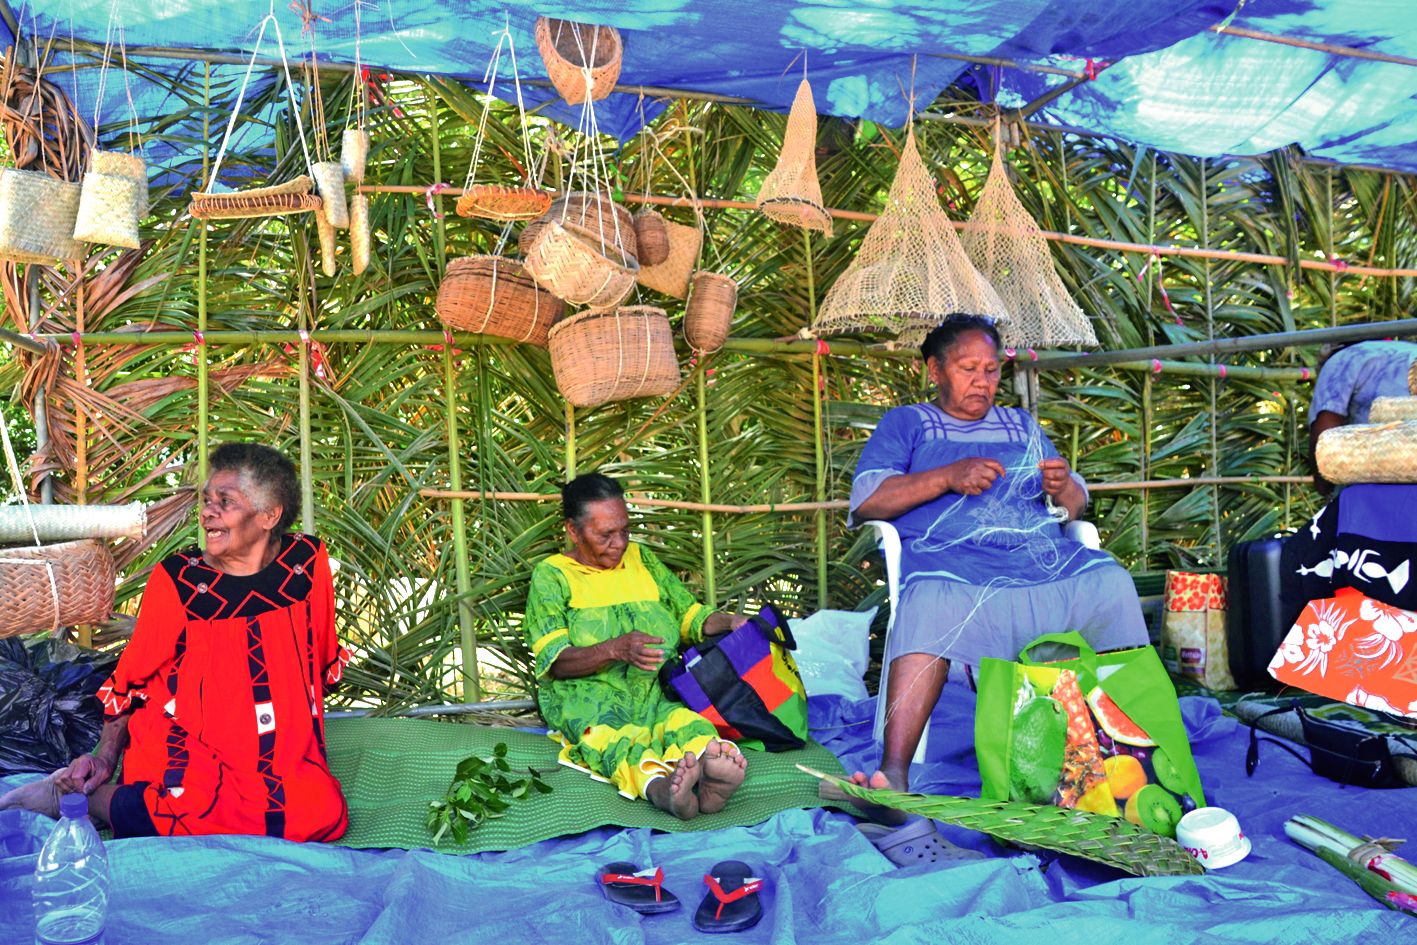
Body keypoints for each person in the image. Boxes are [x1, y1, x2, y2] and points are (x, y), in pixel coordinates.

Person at [845, 315, 1149, 808]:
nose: (982, 381)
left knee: (1110, 583)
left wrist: (1062, 487)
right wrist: (947, 476)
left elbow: (1073, 505)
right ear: (935, 370)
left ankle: (1134, 751)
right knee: (930, 600)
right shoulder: (906, 423)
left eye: (991, 369)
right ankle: (894, 772)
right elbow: (869, 501)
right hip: (952, 563)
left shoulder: (1020, 424)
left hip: (1038, 559)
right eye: (968, 368)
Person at [1, 443, 350, 841]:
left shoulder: (307, 562)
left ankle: (101, 804)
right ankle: (77, 800)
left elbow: (317, 655)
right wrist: (104, 758)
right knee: (189, 807)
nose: (207, 513)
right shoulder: (180, 581)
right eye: (206, 501)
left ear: (270, 515)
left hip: (280, 750)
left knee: (321, 813)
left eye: (225, 502)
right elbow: (132, 682)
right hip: (192, 740)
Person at [523, 473, 749, 820]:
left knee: (688, 724)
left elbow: (689, 615)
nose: (619, 543)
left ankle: (710, 774)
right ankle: (663, 789)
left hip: (654, 694)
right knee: (608, 741)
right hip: (587, 700)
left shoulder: (642, 560)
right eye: (605, 535)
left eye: (625, 530)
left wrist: (729, 622)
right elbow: (556, 661)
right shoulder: (552, 576)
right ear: (572, 530)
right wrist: (615, 649)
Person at [1308, 339, 1417, 495]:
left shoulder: (1342, 359)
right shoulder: (1408, 351)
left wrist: (1325, 487)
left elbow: (1325, 429)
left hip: (1384, 472)